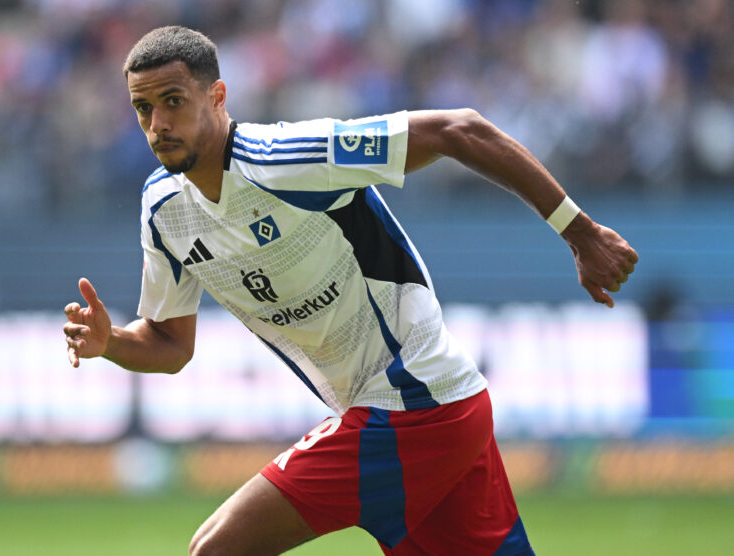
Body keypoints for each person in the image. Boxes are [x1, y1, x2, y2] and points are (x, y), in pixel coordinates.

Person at [62, 26, 638, 556]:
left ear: (217, 97)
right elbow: (169, 342)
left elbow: (461, 129)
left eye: (173, 102)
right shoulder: (163, 208)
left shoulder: (289, 159)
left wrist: (580, 233)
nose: (158, 124)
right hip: (440, 410)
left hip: (413, 403)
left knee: (215, 549)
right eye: (143, 109)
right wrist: (112, 342)